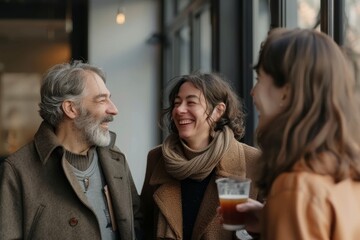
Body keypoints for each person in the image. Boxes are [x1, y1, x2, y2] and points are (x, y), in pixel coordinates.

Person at [235, 28, 360, 239]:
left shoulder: (296, 187)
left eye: (259, 79)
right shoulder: (346, 171)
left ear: (286, 92)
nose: (252, 92)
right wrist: (272, 220)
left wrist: (288, 208)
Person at [0, 61, 142, 240]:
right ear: (71, 108)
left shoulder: (116, 159)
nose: (114, 109)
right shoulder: (17, 170)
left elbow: (136, 224)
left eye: (109, 98)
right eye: (101, 100)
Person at [140, 72, 261, 240]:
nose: (180, 110)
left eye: (191, 102)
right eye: (177, 103)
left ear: (218, 111)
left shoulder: (254, 161)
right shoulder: (157, 158)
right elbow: (143, 223)